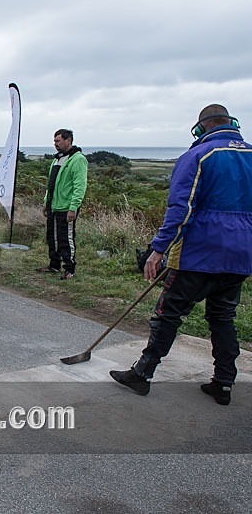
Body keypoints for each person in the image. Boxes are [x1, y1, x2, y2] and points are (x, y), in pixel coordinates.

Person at [110, 104, 252, 405]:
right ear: (232, 124)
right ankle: (224, 382)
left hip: (200, 252)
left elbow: (181, 209)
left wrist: (157, 249)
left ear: (201, 128)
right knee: (223, 317)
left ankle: (143, 374)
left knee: (169, 313)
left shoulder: (198, 155)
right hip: (241, 254)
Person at [37, 129, 88, 279]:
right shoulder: (57, 159)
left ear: (68, 140)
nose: (55, 144)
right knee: (52, 237)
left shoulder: (78, 159)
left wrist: (73, 208)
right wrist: (47, 203)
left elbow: (79, 186)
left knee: (66, 238)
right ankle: (54, 265)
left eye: (58, 141)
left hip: (66, 207)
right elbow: (51, 184)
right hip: (53, 206)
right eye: (54, 141)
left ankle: (69, 268)